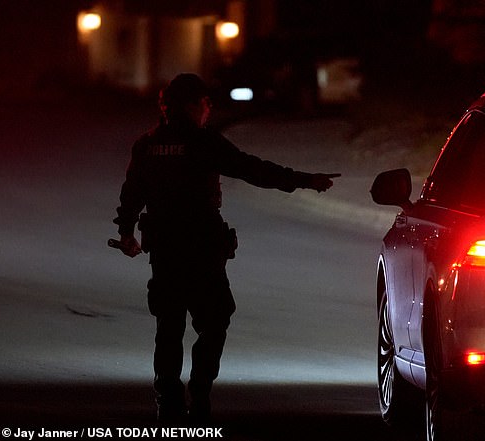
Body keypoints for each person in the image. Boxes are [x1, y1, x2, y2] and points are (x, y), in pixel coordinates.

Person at [112, 73, 339, 424]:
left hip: (166, 251)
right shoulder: (204, 143)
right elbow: (252, 169)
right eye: (205, 103)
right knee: (215, 319)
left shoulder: (147, 145)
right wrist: (303, 180)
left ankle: (168, 401)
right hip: (202, 249)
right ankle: (199, 394)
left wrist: (127, 233)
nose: (209, 109)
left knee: (169, 325)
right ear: (191, 106)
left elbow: (132, 194)